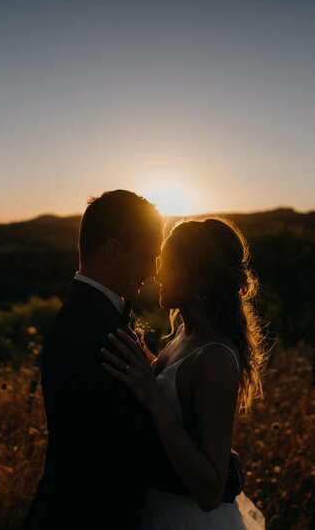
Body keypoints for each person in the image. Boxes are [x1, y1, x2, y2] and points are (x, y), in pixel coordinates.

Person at [23, 190, 182, 530]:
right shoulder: (95, 332)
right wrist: (218, 477)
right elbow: (126, 450)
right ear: (113, 251)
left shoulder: (94, 316)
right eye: (145, 257)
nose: (153, 272)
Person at [102, 217, 267, 529]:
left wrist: (153, 398)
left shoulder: (215, 357)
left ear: (201, 278)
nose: (157, 274)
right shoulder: (182, 334)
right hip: (155, 507)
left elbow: (210, 491)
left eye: (171, 266)